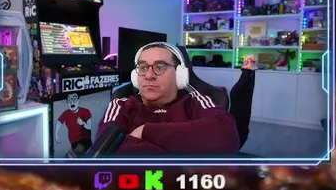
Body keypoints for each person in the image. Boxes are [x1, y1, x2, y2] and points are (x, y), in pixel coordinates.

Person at [99, 43, 240, 155]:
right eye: (143, 67)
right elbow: (104, 151)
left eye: (160, 67)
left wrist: (144, 131)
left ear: (180, 75)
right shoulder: (121, 105)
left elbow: (227, 137)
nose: (149, 75)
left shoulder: (195, 102)